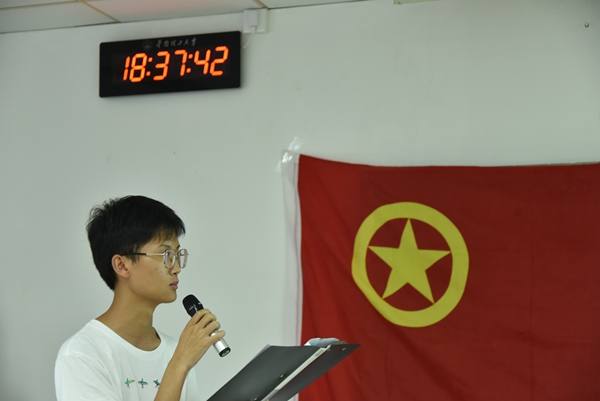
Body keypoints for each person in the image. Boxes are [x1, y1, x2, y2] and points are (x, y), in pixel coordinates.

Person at [55, 195, 225, 401]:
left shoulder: (173, 350)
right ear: (122, 265)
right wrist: (179, 364)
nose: (176, 268)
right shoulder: (82, 355)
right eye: (166, 256)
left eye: (178, 255)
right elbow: (180, 362)